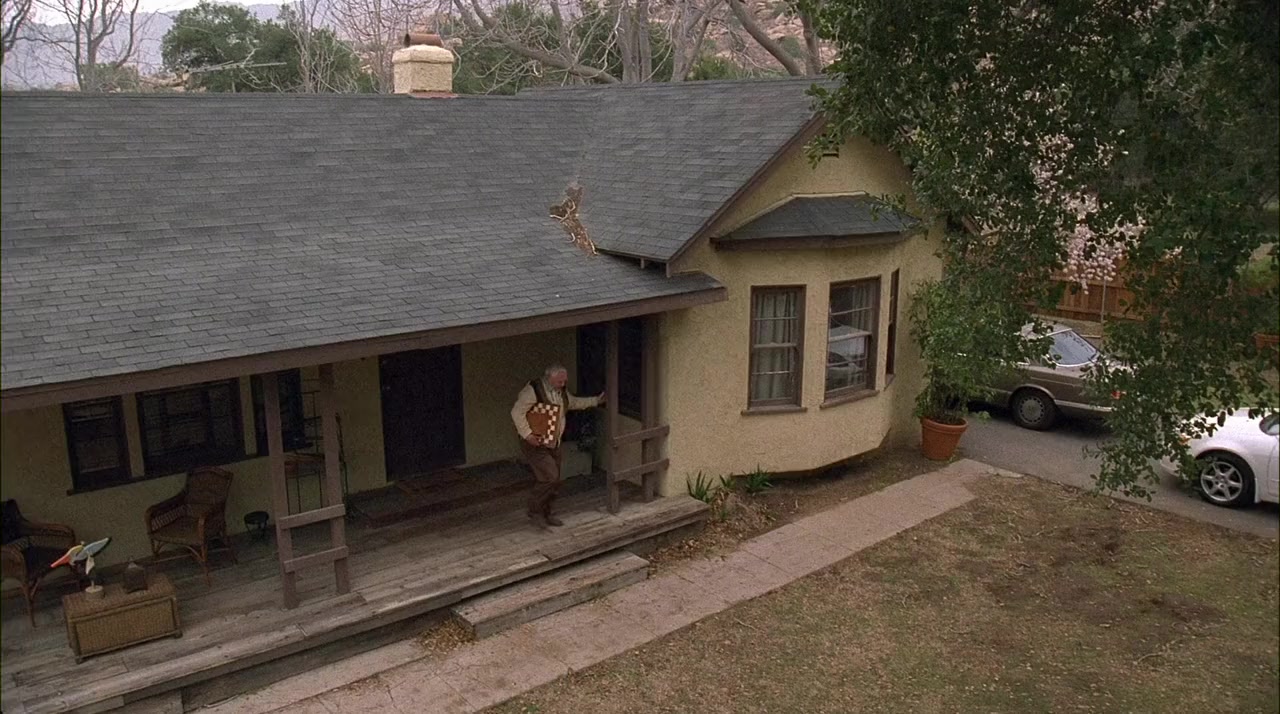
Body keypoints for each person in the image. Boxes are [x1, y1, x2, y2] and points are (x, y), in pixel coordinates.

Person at [511, 365, 603, 528]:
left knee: (555, 480)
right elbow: (517, 412)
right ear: (549, 378)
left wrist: (596, 401)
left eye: (564, 380)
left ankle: (546, 513)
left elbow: (573, 403)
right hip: (536, 442)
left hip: (553, 442)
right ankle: (535, 511)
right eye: (560, 381)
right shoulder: (533, 390)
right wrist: (528, 435)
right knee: (550, 477)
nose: (563, 384)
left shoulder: (561, 392)